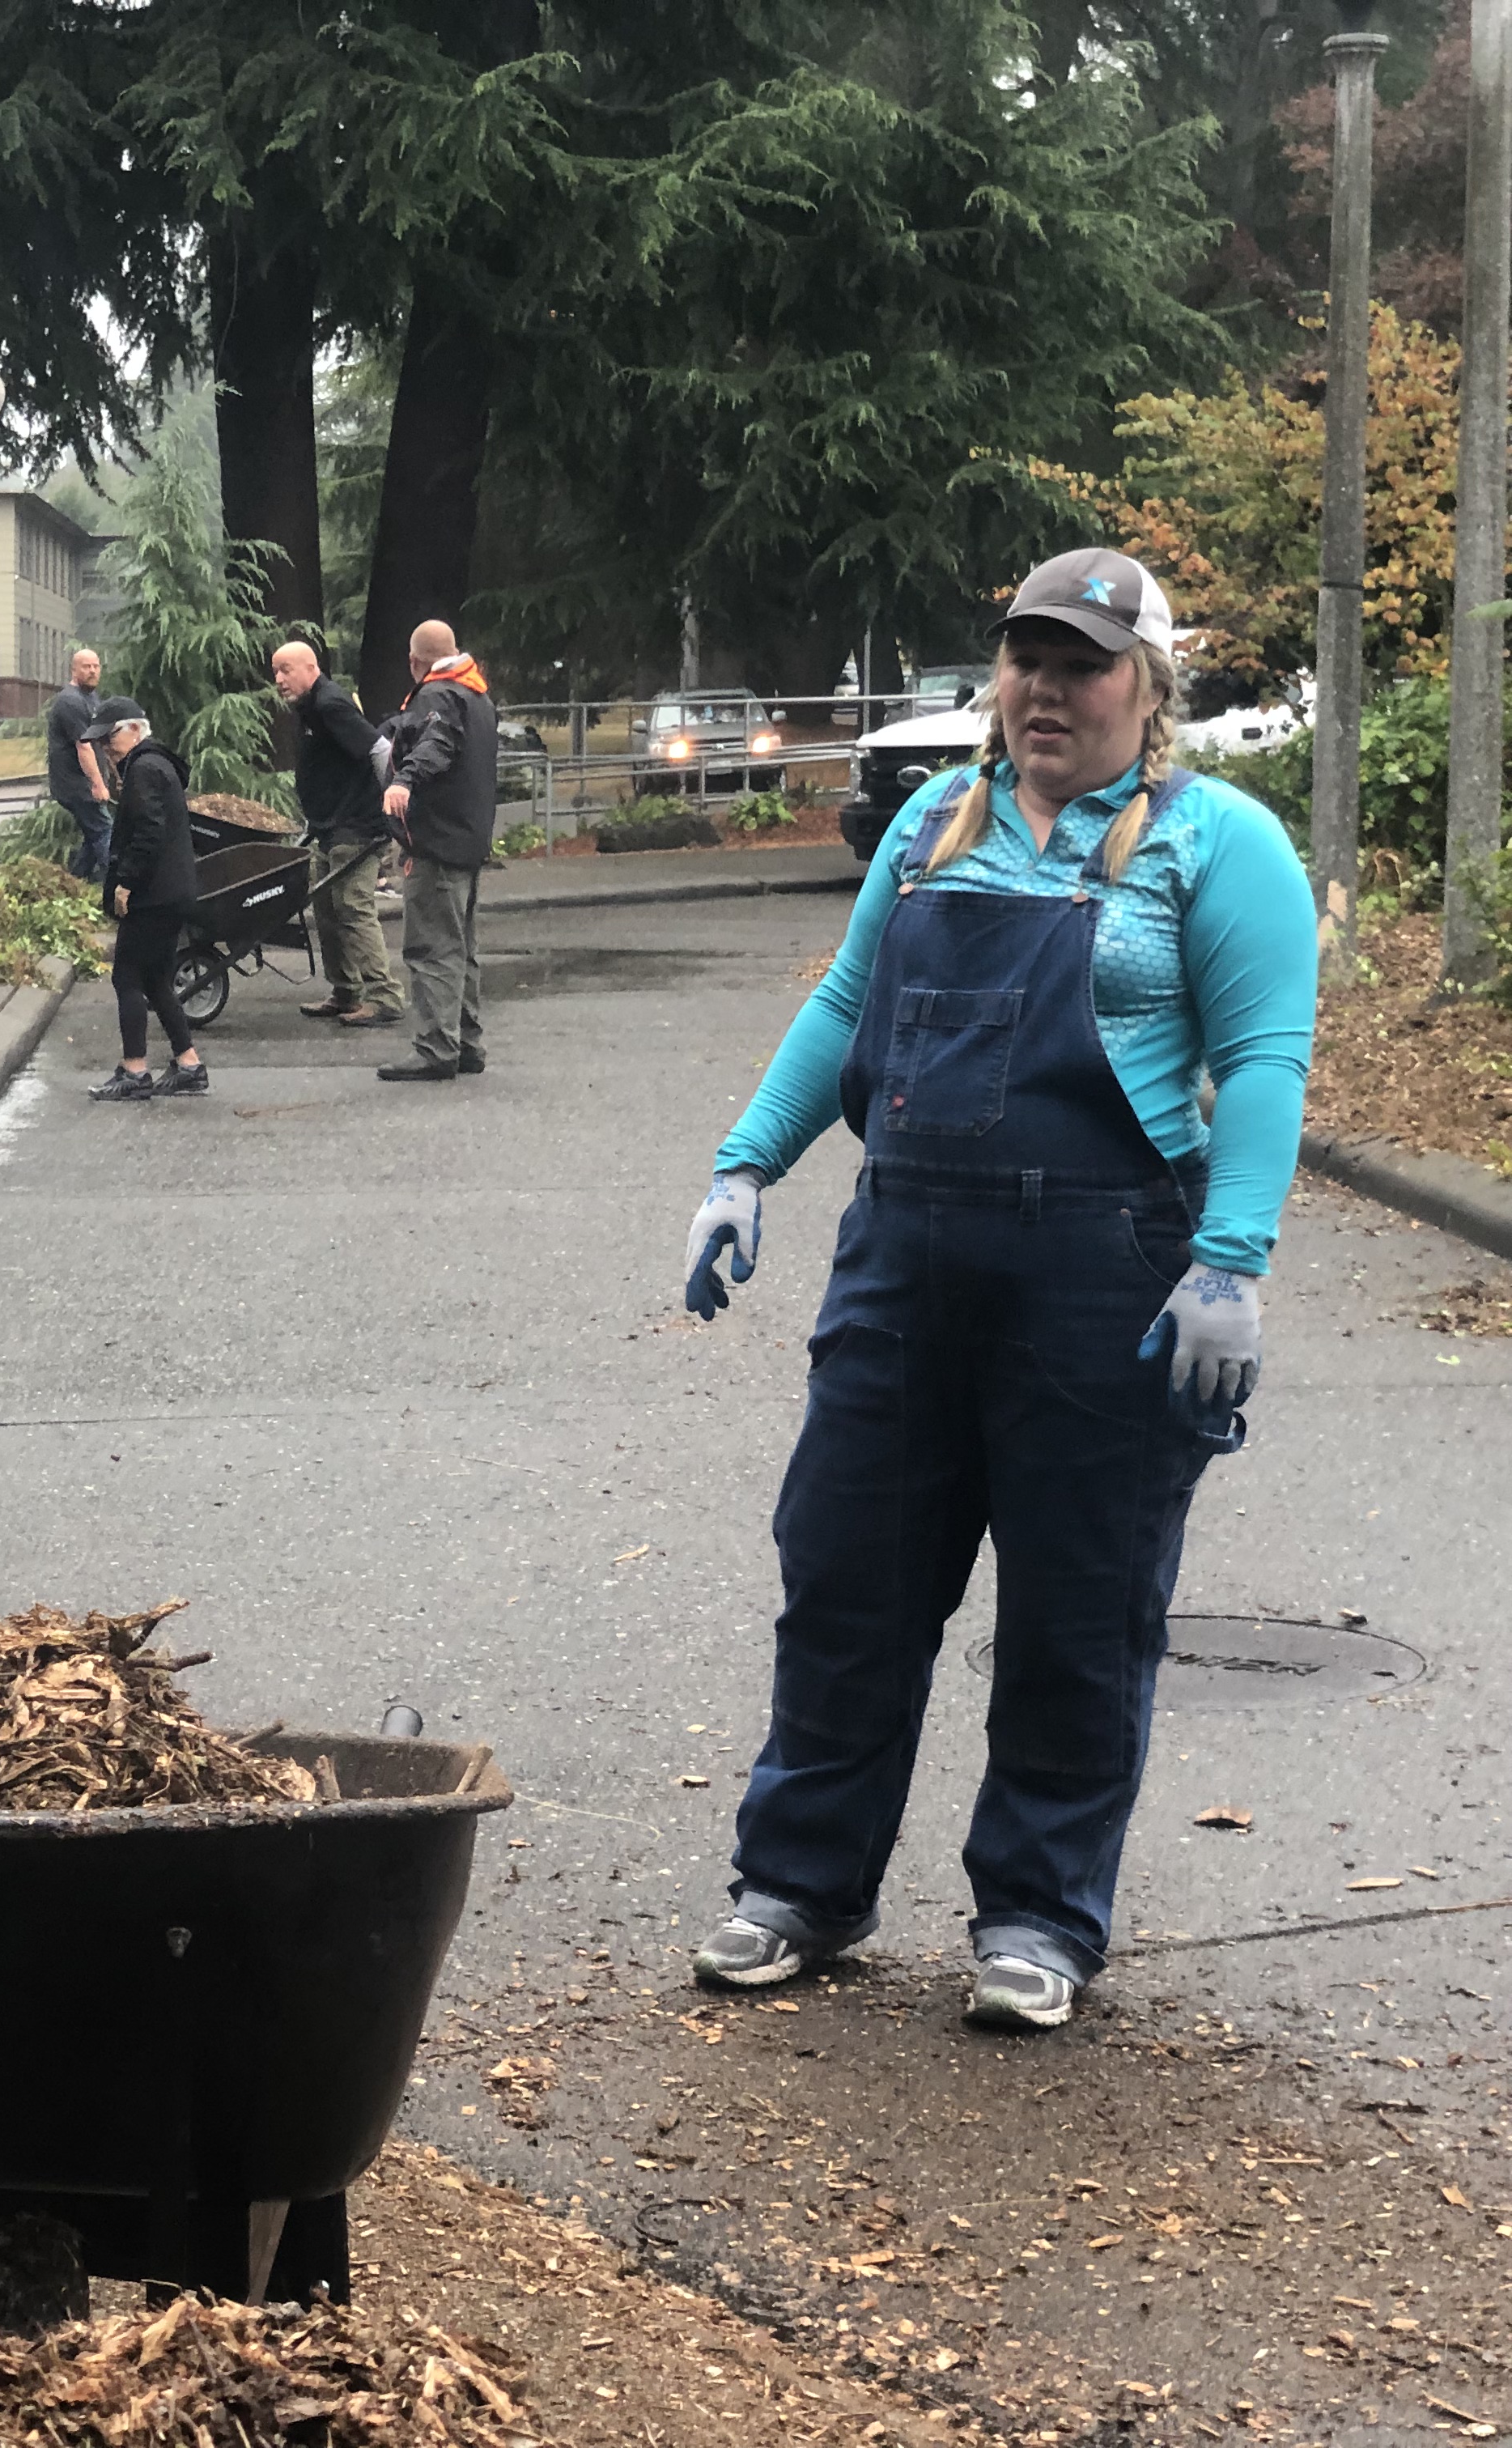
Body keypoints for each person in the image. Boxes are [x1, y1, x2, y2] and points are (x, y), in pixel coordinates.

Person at [679, 548, 1315, 2033]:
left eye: (1082, 660)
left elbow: (1267, 1059)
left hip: (1105, 1277)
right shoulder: (930, 821)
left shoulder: (1216, 846)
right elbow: (846, 1004)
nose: (1046, 685)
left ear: (1145, 685)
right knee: (847, 1577)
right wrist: (744, 1164)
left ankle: (1035, 1912)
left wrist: (1228, 1259)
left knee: (1076, 1610)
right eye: (1027, 655)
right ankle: (800, 1883)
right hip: (903, 1259)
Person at [374, 620, 499, 1083]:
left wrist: (404, 780)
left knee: (432, 948)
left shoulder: (437, 696)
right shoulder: (478, 698)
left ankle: (435, 1047)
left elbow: (436, 743)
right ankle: (466, 1042)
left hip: (437, 842)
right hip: (468, 839)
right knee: (462, 947)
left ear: (415, 661)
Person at [271, 640, 402, 1029]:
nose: (279, 679)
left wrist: (394, 810)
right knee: (327, 909)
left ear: (311, 668)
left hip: (357, 826)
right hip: (329, 826)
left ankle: (385, 996)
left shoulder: (331, 704)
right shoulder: (309, 708)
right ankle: (346, 991)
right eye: (275, 671)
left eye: (286, 670)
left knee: (353, 906)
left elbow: (380, 750)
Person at [85, 697, 208, 1102]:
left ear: (135, 730)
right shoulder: (157, 765)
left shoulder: (143, 768)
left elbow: (149, 833)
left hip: (153, 895)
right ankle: (189, 1065)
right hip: (172, 891)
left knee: (128, 977)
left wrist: (126, 883)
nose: (106, 748)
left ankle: (134, 1069)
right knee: (157, 980)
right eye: (101, 743)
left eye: (110, 738)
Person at [45, 645, 114, 881]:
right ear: (75, 670)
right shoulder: (70, 702)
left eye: (96, 666)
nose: (93, 671)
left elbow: (101, 740)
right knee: (104, 830)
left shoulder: (91, 698)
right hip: (75, 784)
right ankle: (115, 883)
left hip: (85, 783)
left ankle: (76, 881)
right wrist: (97, 784)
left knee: (93, 833)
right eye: (87, 667)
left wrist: (113, 774)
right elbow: (83, 746)